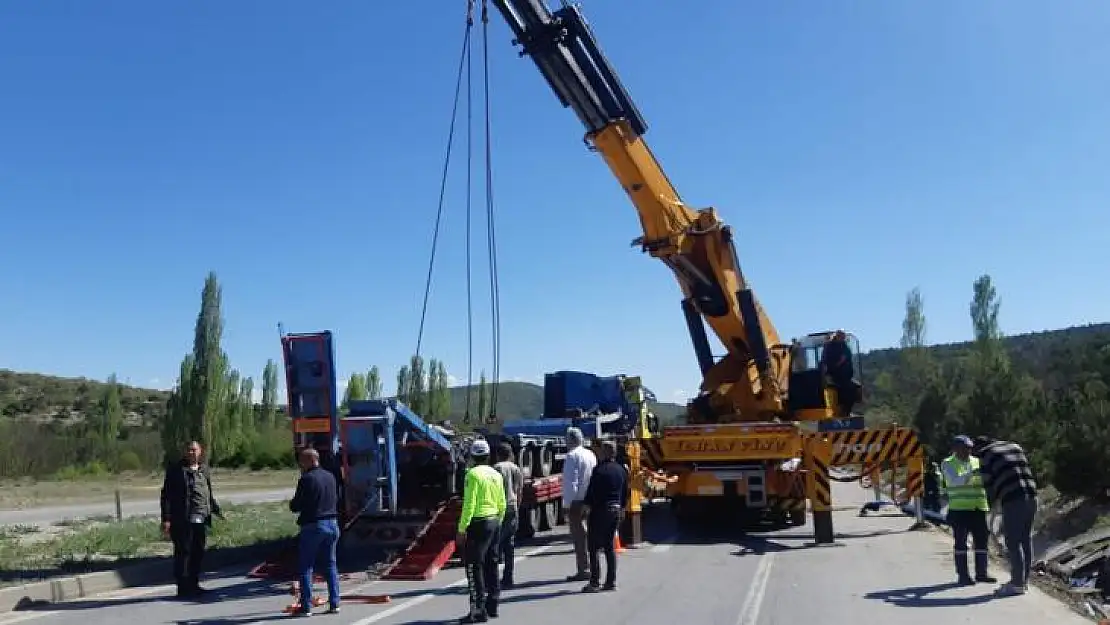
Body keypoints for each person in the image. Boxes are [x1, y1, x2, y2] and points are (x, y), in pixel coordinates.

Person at [974, 435, 1039, 597]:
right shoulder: (1014, 446)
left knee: (1012, 541)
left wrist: (989, 508)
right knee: (1025, 538)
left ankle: (1016, 584)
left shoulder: (985, 454)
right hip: (1032, 495)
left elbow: (988, 485)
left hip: (1013, 499)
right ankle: (1023, 581)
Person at [159, 440, 222, 599]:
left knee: (197, 552)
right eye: (189, 450)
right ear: (185, 452)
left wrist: (214, 508)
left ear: (200, 452)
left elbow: (207, 491)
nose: (192, 453)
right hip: (183, 518)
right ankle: (183, 587)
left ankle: (194, 584)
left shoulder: (204, 470)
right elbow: (166, 496)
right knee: (183, 553)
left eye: (194, 450)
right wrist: (166, 519)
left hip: (201, 518)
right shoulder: (176, 471)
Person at [456, 439, 507, 623]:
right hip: (495, 520)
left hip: (479, 522)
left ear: (472, 456)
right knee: (492, 563)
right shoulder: (496, 474)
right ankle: (493, 604)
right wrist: (499, 521)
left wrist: (462, 529)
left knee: (473, 566)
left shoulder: (472, 475)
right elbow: (502, 501)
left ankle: (477, 609)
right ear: (487, 455)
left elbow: (469, 504)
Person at [289, 447, 341, 616]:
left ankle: (306, 606)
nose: (300, 465)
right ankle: (335, 603)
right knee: (330, 565)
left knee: (306, 566)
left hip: (313, 525)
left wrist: (293, 504)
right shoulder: (330, 476)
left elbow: (296, 505)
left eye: (302, 462)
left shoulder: (306, 479)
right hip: (332, 524)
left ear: (310, 460)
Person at [941, 435, 995, 586]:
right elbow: (954, 481)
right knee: (961, 543)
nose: (968, 451)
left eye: (970, 448)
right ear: (955, 449)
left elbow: (985, 481)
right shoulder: (948, 463)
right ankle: (963, 575)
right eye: (964, 448)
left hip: (978, 508)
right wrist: (972, 473)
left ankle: (982, 573)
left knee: (982, 542)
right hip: (959, 510)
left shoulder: (977, 461)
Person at [581, 440, 627, 593]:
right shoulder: (621, 470)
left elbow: (592, 491)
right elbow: (625, 492)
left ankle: (594, 581)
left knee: (593, 547)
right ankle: (611, 581)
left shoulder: (599, 470)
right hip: (615, 509)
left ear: (605, 452)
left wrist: (586, 506)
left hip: (600, 510)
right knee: (609, 546)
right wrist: (622, 509)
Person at [562, 427, 597, 582]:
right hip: (591, 499)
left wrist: (567, 504)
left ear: (570, 440)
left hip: (577, 501)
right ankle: (593, 566)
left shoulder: (571, 456)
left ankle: (584, 569)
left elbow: (571, 482)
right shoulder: (590, 454)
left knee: (579, 537)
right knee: (590, 535)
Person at [493, 441, 524, 588]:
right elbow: (519, 491)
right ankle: (508, 577)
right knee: (509, 545)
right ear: (510, 454)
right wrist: (517, 506)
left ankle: (492, 578)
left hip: (498, 508)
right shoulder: (516, 468)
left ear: (498, 455)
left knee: (495, 543)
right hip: (512, 507)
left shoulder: (496, 468)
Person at [820, 330, 858, 416]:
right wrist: (832, 369)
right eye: (841, 336)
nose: (843, 338)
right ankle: (844, 410)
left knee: (855, 387)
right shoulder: (830, 347)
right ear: (837, 336)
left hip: (844, 375)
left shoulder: (844, 347)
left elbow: (844, 358)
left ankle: (846, 410)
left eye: (843, 337)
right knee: (848, 389)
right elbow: (840, 360)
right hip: (836, 375)